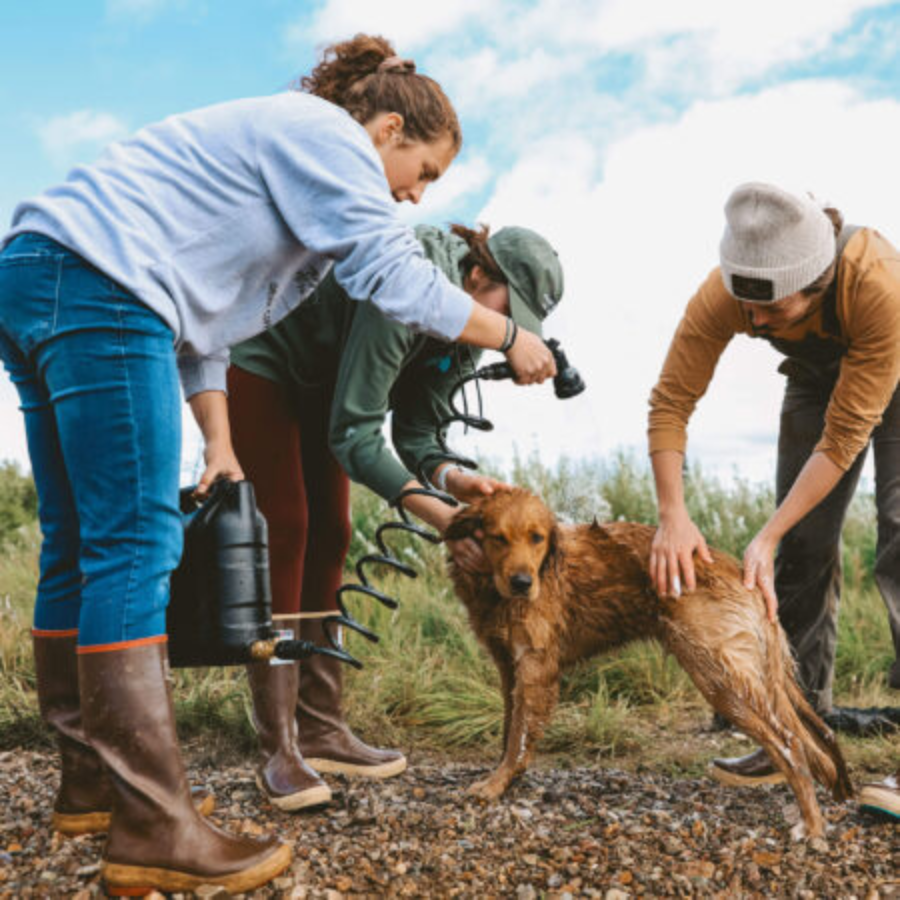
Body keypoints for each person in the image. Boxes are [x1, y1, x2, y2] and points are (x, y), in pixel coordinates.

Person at [0, 35, 555, 895]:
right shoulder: (326, 139)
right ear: (386, 127)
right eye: (424, 169)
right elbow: (396, 279)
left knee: (77, 541)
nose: (416, 192)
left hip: (40, 273)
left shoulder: (286, 177)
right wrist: (515, 336)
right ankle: (154, 829)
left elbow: (206, 327)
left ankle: (91, 787)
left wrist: (217, 440)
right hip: (100, 284)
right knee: (135, 545)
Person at [219, 221, 564, 810]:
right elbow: (355, 435)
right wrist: (447, 522)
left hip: (329, 388)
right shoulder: (408, 283)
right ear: (478, 275)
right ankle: (279, 748)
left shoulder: (463, 334)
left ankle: (321, 726)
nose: (504, 336)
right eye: (512, 312)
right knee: (288, 526)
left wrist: (457, 482)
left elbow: (417, 432)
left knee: (332, 532)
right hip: (267, 357)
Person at [646, 181, 899, 801]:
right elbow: (670, 403)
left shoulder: (878, 285)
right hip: (817, 377)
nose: (753, 324)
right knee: (803, 550)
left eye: (771, 312)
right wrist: (672, 515)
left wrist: (765, 531)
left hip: (896, 361)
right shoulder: (730, 292)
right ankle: (796, 731)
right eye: (746, 307)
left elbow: (843, 441)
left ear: (817, 284)